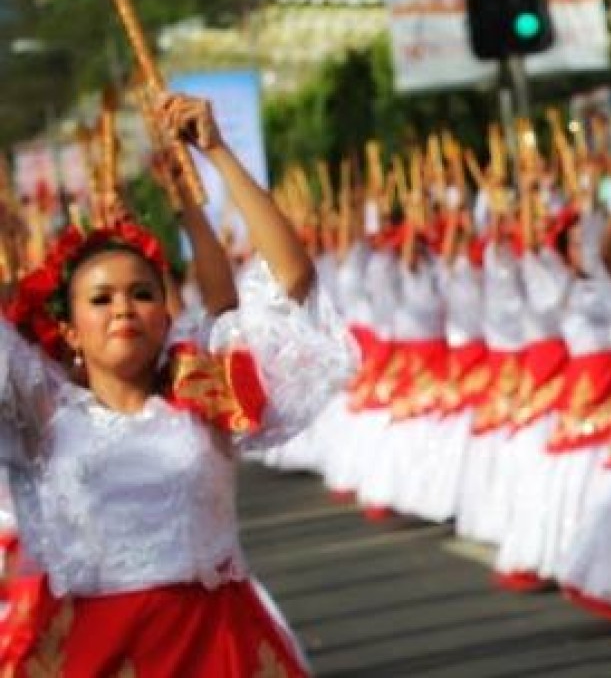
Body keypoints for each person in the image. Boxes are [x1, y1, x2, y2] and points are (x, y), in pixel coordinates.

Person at [0, 93, 353, 676]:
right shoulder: (44, 414)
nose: (124, 309)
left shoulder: (203, 388)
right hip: (101, 651)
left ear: (166, 313)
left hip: (218, 644)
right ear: (69, 329)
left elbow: (290, 277)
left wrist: (215, 153)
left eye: (142, 294)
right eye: (101, 299)